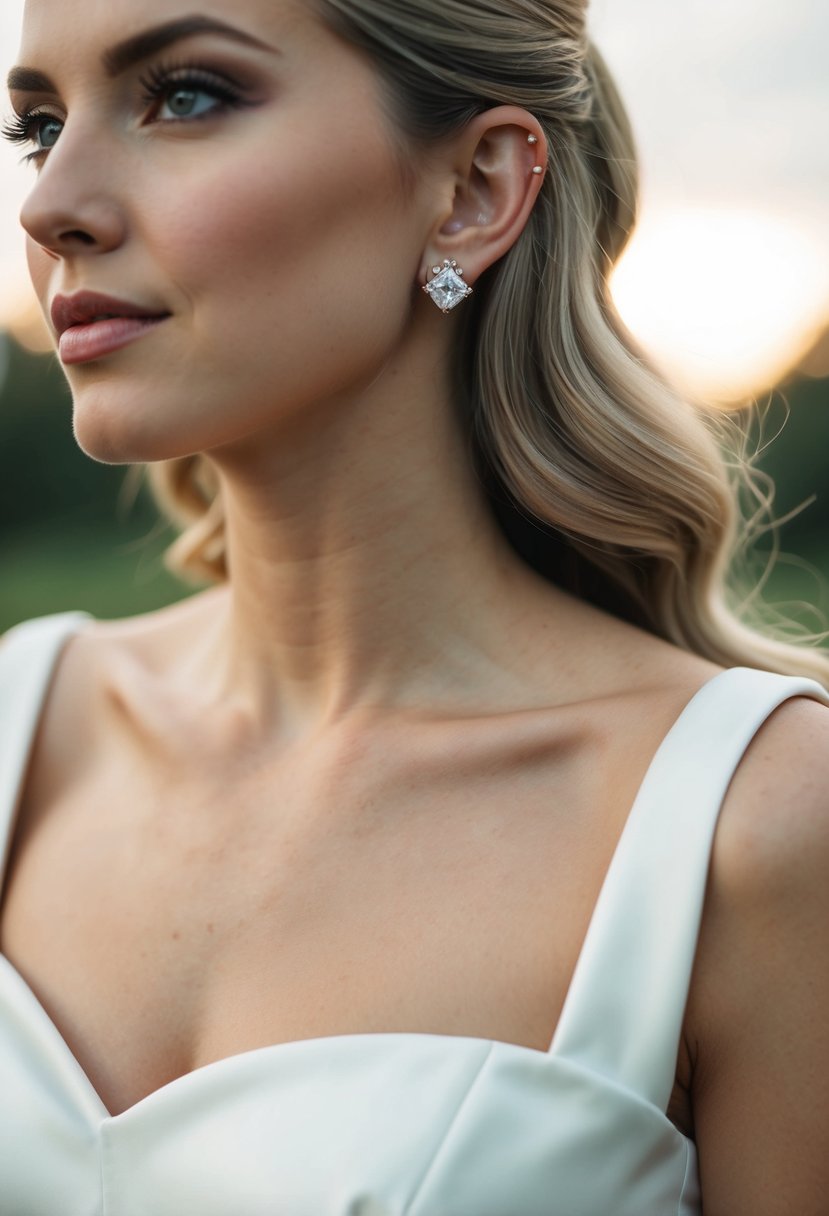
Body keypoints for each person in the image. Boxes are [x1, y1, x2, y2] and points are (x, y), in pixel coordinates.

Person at [1, 0, 828, 1211]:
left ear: (475, 188)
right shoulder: (18, 728)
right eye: (37, 124)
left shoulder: (753, 831)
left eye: (185, 96)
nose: (48, 205)